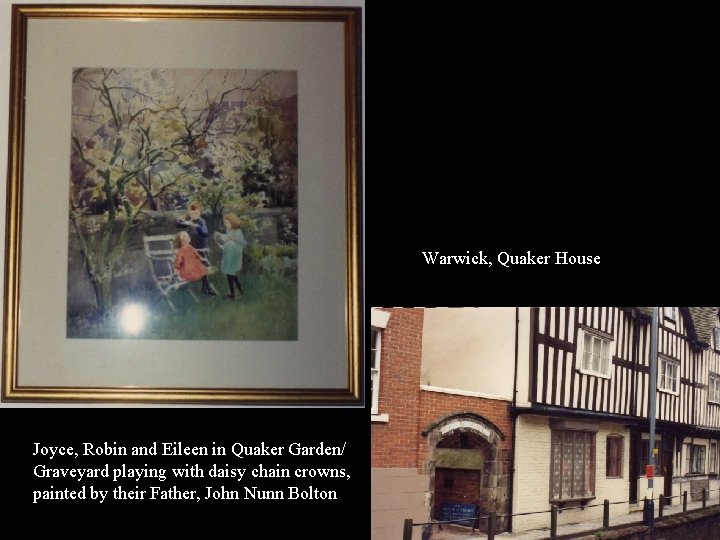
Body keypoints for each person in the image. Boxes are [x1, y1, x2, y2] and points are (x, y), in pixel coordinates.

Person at [214, 213, 247, 300]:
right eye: (225, 223)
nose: (226, 225)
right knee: (231, 274)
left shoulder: (237, 231)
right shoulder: (229, 231)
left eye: (227, 223)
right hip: (228, 256)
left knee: (230, 274)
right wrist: (221, 238)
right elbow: (227, 242)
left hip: (234, 257)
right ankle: (239, 290)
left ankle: (232, 294)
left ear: (233, 222)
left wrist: (233, 239)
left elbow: (243, 243)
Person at [174, 231, 215, 296]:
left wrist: (201, 258)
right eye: (184, 237)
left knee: (204, 272)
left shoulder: (190, 247)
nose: (186, 238)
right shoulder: (180, 251)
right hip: (187, 270)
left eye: (187, 236)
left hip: (195, 266)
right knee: (201, 273)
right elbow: (178, 261)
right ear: (181, 241)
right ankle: (206, 289)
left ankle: (206, 289)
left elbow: (196, 254)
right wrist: (177, 268)